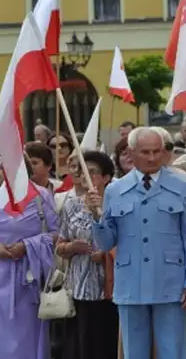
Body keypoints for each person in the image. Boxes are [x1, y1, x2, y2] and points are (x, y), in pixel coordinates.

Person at [90, 126, 186, 359]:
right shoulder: (115, 190)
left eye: (156, 151)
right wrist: (96, 216)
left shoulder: (181, 187)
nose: (152, 158)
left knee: (173, 351)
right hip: (132, 282)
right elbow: (107, 241)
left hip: (170, 282)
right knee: (134, 353)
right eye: (145, 152)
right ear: (131, 152)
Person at [0, 158, 59, 359]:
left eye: (2, 168)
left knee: (27, 331)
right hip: (0, 275)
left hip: (30, 275)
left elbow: (57, 233)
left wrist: (26, 246)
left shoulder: (41, 196)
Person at [58, 151, 119, 359]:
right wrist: (72, 247)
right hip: (82, 287)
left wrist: (105, 253)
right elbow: (60, 245)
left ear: (106, 178)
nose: (85, 175)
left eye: (92, 172)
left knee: (108, 342)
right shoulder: (71, 205)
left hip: (111, 287)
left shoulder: (116, 204)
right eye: (82, 170)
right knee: (84, 344)